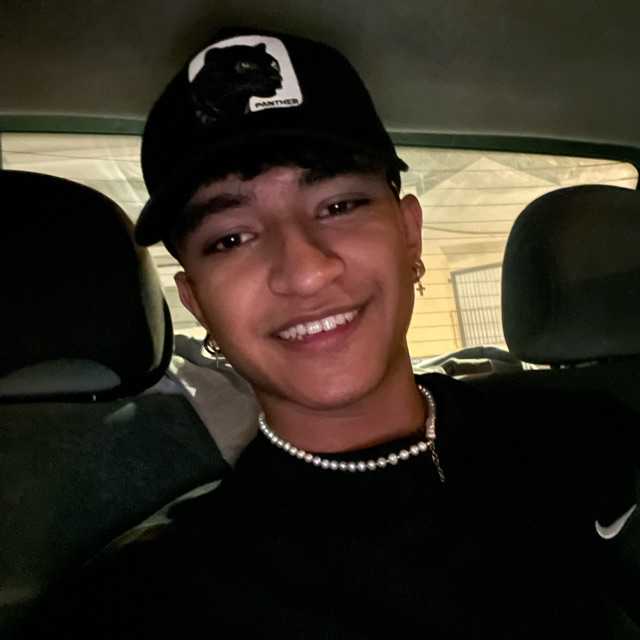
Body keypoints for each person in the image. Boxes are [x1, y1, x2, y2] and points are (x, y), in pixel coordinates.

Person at [32, 27, 639, 639]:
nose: (304, 270)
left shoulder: (589, 441)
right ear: (197, 302)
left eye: (339, 206)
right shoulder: (144, 604)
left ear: (409, 234)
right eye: (231, 239)